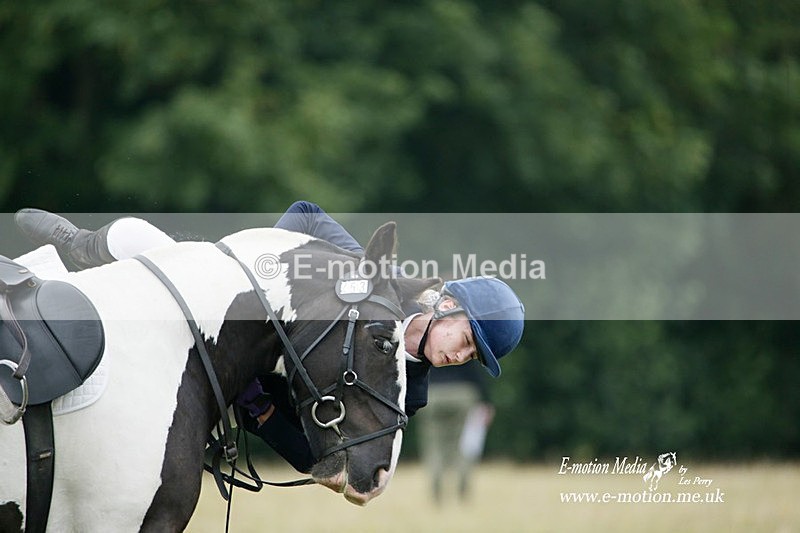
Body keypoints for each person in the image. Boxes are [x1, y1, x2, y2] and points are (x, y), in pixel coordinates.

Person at [15, 202, 525, 473]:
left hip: (232, 391)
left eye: (472, 356)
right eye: (468, 339)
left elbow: (315, 458)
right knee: (141, 237)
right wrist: (266, 286)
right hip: (235, 310)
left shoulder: (409, 395)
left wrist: (258, 409)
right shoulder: (377, 283)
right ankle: (78, 244)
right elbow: (305, 214)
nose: (461, 355)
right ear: (448, 305)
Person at [417, 360, 494, 504]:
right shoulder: (464, 342)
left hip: (432, 393)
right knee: (465, 443)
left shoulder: (430, 340)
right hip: (463, 393)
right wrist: (486, 401)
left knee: (434, 446)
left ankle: (436, 490)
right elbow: (477, 371)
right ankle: (463, 488)